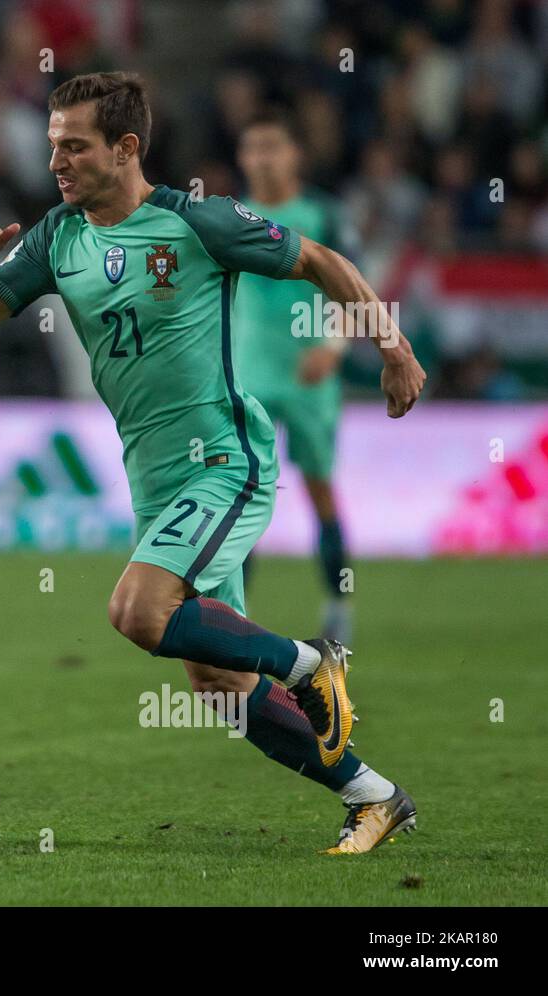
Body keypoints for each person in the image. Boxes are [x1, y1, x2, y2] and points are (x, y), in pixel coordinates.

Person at [0, 72, 426, 854]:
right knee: (222, 688)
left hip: (225, 460)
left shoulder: (198, 223)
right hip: (154, 479)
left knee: (138, 612)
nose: (56, 161)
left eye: (75, 146)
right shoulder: (58, 237)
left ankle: (310, 664)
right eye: (52, 144)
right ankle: (374, 797)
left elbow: (322, 262)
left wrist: (391, 346)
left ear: (127, 148)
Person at [234, 111, 355, 643]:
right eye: (254, 148)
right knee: (239, 492)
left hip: (309, 374)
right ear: (243, 158)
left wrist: (333, 346)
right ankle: (233, 613)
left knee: (319, 488)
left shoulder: (322, 214)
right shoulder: (229, 216)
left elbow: (353, 282)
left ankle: (337, 606)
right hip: (248, 372)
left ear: (294, 156)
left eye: (273, 146)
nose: (264, 157)